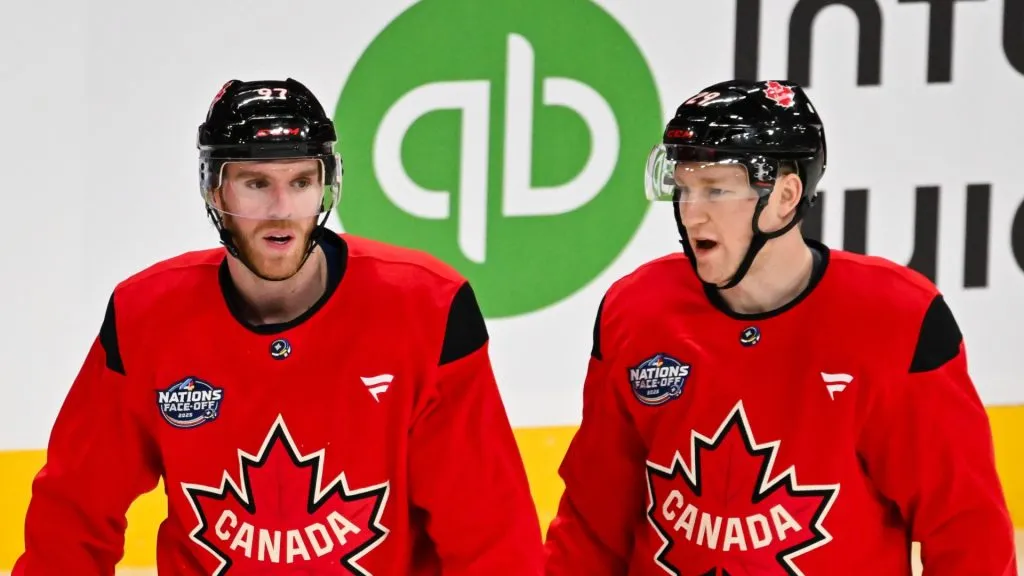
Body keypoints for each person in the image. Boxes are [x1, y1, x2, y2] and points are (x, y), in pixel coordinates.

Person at [15, 78, 544, 575]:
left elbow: (490, 535)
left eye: (300, 181)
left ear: (326, 187)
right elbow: (73, 517)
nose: (281, 209)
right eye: (255, 183)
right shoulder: (145, 316)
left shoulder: (426, 308)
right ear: (215, 192)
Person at [543, 80, 1017, 575]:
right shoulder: (636, 310)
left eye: (716, 189)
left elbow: (967, 531)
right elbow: (592, 520)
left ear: (786, 196)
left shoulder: (896, 320)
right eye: (683, 187)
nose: (691, 211)